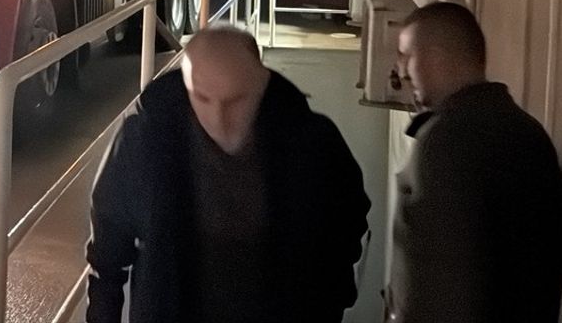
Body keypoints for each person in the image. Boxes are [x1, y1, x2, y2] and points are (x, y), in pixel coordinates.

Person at [85, 26, 370, 323]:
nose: (219, 119)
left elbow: (346, 225)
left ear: (262, 85)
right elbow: (108, 248)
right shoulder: (146, 141)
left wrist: (328, 305)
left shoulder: (311, 142)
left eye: (236, 101)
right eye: (203, 99)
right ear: (186, 86)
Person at [387, 2, 562, 322]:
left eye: (407, 56)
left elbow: (443, 283)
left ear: (436, 56)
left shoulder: (446, 142)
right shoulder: (527, 131)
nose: (401, 71)